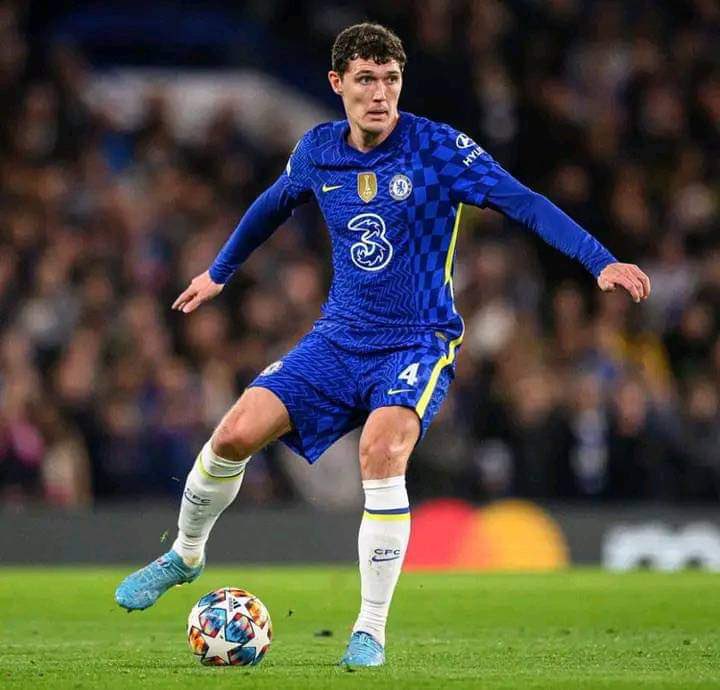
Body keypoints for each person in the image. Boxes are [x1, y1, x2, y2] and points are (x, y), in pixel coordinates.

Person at [115, 23, 651, 666]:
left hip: (417, 341)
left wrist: (598, 260)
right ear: (337, 83)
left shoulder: (439, 149)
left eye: (390, 79)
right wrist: (218, 273)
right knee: (233, 434)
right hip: (339, 337)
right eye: (366, 79)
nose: (379, 94)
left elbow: (525, 202)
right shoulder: (318, 151)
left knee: (382, 448)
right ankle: (184, 555)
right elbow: (271, 205)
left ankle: (370, 628)